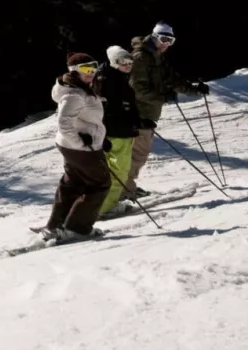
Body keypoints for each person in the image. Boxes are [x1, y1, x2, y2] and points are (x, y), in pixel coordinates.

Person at [125, 22, 210, 199]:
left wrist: (194, 90)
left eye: (170, 41)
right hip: (137, 114)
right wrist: (163, 98)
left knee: (137, 153)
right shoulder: (141, 57)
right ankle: (123, 191)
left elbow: (172, 79)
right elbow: (138, 89)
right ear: (155, 36)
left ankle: (126, 186)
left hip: (148, 113)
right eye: (164, 39)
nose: (166, 44)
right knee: (137, 154)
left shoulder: (156, 56)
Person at [41, 52, 111, 243]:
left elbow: (83, 120)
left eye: (94, 68)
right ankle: (76, 229)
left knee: (73, 183)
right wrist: (81, 143)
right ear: (74, 72)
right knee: (100, 184)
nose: (91, 73)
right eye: (86, 69)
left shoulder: (79, 88)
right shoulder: (75, 94)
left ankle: (56, 226)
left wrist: (98, 137)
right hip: (80, 149)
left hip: (71, 146)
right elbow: (64, 123)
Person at [96, 44, 141, 219]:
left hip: (117, 129)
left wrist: (136, 119)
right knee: (120, 170)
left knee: (111, 170)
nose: (128, 65)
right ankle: (106, 207)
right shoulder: (107, 80)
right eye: (123, 61)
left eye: (130, 62)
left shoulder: (114, 76)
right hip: (116, 132)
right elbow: (109, 108)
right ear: (114, 62)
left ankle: (102, 204)